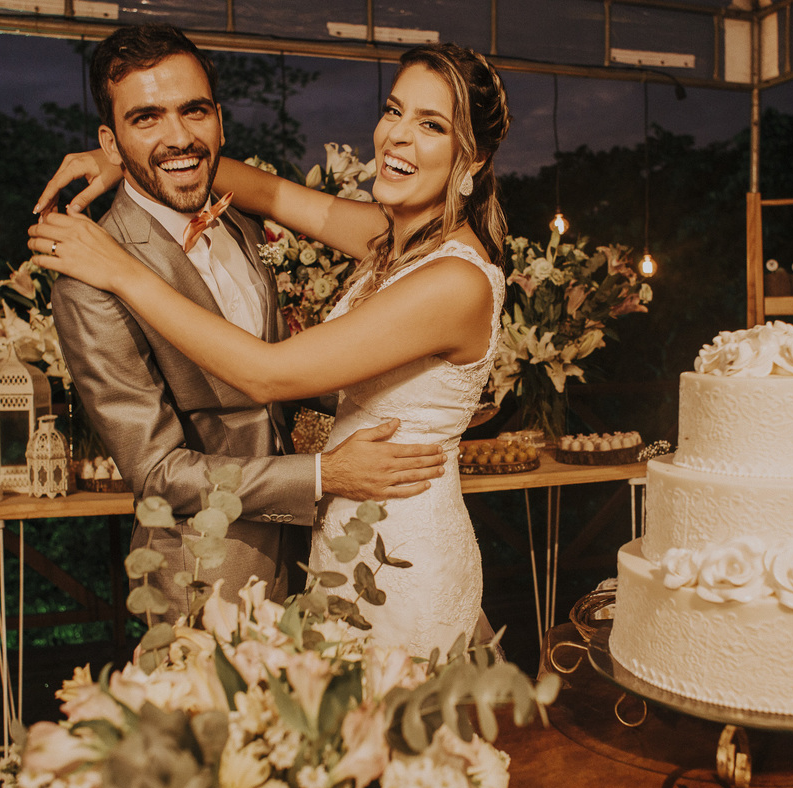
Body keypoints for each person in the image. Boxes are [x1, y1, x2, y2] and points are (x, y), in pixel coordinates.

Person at [31, 39, 511, 657]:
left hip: (397, 550)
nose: (397, 137)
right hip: (275, 559)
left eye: (432, 124)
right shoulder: (391, 240)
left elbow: (267, 375)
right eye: (394, 111)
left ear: (473, 156)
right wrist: (127, 160)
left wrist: (123, 269)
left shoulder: (452, 280)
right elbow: (276, 193)